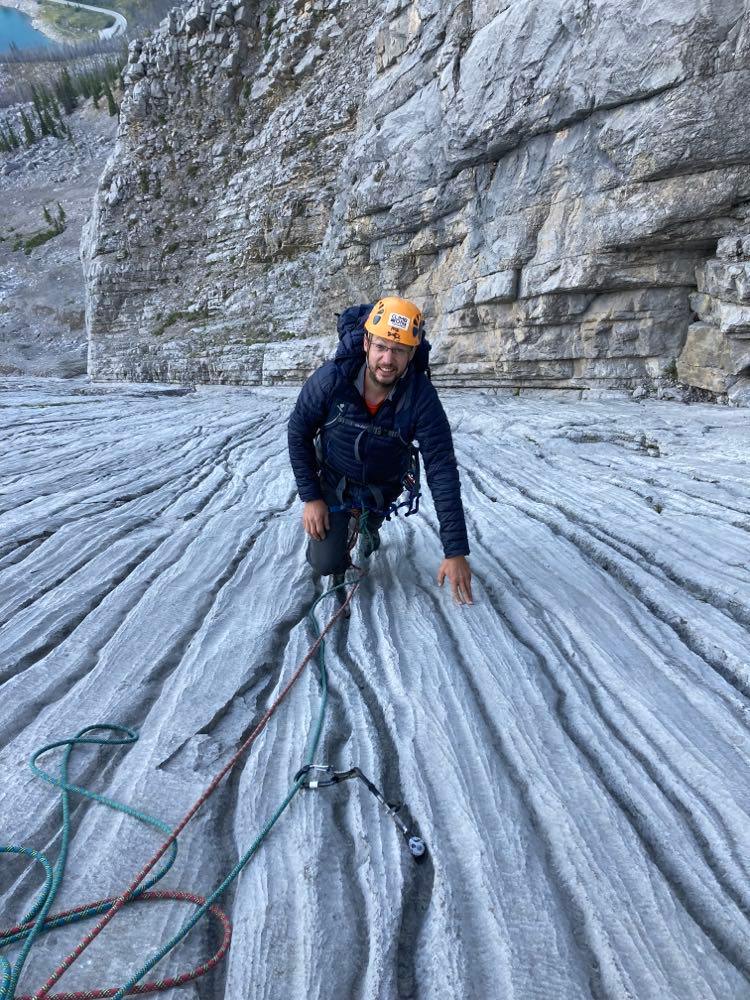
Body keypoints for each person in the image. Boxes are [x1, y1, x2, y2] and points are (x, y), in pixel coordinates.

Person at [287, 296, 473, 605]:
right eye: (381, 347)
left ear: (412, 354)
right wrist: (312, 498)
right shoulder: (332, 380)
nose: (388, 360)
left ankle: (369, 524)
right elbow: (299, 432)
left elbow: (441, 468)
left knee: (369, 522)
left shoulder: (421, 398)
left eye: (399, 350)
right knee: (325, 563)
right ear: (366, 344)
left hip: (382, 486)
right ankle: (343, 530)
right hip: (334, 478)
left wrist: (455, 552)